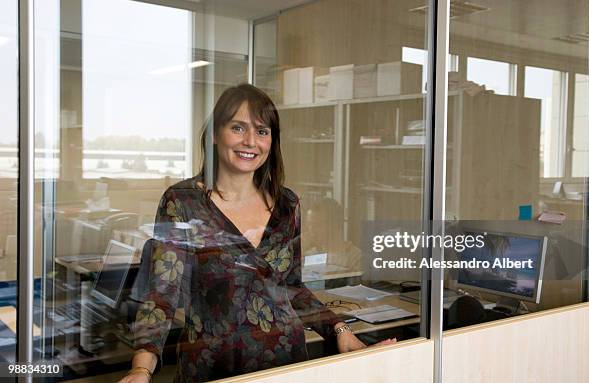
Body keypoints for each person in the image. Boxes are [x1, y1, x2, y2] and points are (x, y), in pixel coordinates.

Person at [119, 84, 395, 383]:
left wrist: (339, 330)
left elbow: (291, 287)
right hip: (214, 367)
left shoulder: (286, 203)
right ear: (215, 134)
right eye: (238, 128)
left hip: (286, 363)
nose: (250, 141)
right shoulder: (183, 201)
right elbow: (162, 295)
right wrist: (141, 368)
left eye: (262, 131)